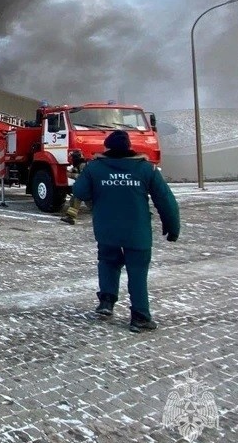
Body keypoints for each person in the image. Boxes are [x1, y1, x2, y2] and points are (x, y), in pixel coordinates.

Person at [72, 130, 180, 333]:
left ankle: (106, 301)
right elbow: (166, 200)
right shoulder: (146, 169)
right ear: (129, 147)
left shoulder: (95, 168)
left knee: (107, 262)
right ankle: (140, 316)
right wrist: (172, 227)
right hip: (136, 231)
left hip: (106, 229)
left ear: (108, 147)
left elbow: (79, 191)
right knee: (137, 271)